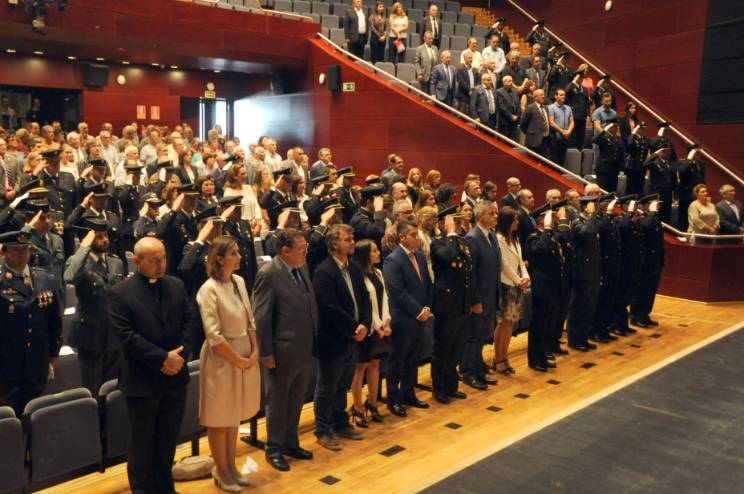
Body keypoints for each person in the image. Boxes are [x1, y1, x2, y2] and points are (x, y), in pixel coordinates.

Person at [108, 237, 191, 494]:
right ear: (137, 260)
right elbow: (127, 337)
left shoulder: (176, 285)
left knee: (167, 440)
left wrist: (180, 356)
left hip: (175, 378)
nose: (160, 264)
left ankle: (166, 489)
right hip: (142, 379)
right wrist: (163, 358)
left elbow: (190, 323)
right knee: (142, 444)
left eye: (163, 258)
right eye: (154, 260)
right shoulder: (120, 293)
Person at [195, 236, 260, 492]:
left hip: (243, 353)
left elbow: (250, 320)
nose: (239, 257)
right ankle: (221, 471)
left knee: (234, 416)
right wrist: (238, 359)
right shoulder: (208, 289)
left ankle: (231, 466)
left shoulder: (239, 282)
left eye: (239, 252)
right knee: (219, 418)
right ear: (219, 259)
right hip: (222, 358)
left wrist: (255, 350)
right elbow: (214, 336)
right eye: (233, 253)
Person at [253, 229, 317, 471]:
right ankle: (273, 448)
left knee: (297, 398)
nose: (305, 252)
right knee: (278, 402)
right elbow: (262, 317)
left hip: (304, 348)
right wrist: (266, 353)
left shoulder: (302, 267)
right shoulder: (269, 273)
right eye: (301, 248)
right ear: (285, 251)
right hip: (281, 351)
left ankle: (291, 442)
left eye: (306, 247)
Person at [313, 224, 371, 450]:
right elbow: (329, 307)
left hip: (353, 337)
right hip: (333, 338)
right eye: (348, 239)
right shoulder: (324, 271)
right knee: (327, 388)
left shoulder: (354, 267)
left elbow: (365, 299)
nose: (352, 242)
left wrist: (365, 323)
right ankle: (323, 430)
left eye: (352, 238)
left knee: (343, 385)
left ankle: (340, 423)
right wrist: (354, 327)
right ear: (334, 244)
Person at [0, 230, 62, 416]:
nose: (22, 254)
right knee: (11, 417)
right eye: (16, 250)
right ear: (4, 252)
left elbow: (54, 319)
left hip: (37, 361)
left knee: (36, 415)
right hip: (7, 365)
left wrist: (53, 352)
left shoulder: (43, 278)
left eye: (25, 249)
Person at [64, 219, 126, 397]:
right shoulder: (78, 263)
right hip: (90, 335)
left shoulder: (115, 262)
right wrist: (83, 248)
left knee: (113, 388)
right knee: (92, 389)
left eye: (106, 235)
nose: (105, 240)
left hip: (114, 332)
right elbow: (68, 276)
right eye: (99, 237)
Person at [383, 220, 433, 417]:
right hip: (403, 318)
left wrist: (427, 307)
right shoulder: (393, 260)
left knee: (413, 358)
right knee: (397, 360)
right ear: (402, 237)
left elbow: (426, 284)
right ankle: (393, 400)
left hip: (420, 315)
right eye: (413, 235)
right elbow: (397, 292)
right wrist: (418, 310)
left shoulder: (419, 256)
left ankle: (408, 393)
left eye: (417, 234)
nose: (417, 238)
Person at [430, 211, 477, 403]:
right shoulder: (438, 244)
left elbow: (468, 273)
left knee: (457, 347)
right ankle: (439, 388)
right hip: (447, 304)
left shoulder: (462, 243)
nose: (458, 225)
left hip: (462, 303)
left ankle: (451, 385)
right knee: (443, 347)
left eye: (458, 222)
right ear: (444, 224)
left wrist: (473, 300)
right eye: (454, 222)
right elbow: (449, 257)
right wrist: (449, 234)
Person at [350, 239, 391, 426]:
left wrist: (386, 322)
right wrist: (377, 326)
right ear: (365, 254)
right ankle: (357, 407)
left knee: (375, 365)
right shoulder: (358, 276)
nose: (378, 253)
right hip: (367, 328)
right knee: (360, 368)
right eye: (374, 251)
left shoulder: (379, 272)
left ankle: (372, 403)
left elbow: (384, 299)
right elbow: (365, 305)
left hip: (381, 327)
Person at [493, 207, 529, 374]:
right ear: (507, 222)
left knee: (511, 324)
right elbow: (504, 265)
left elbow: (520, 261)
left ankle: (504, 357)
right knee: (503, 324)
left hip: (517, 285)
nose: (517, 222)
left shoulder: (514, 239)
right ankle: (498, 358)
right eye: (515, 220)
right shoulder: (499, 239)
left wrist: (526, 277)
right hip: (507, 285)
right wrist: (518, 280)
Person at [567, 196, 601, 351]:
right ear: (585, 207)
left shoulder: (589, 221)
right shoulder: (577, 223)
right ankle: (574, 339)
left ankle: (583, 337)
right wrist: (592, 215)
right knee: (579, 306)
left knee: (589, 307)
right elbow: (586, 232)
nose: (596, 207)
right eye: (593, 205)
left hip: (593, 270)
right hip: (582, 272)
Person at [675, 144, 706, 232]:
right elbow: (682, 171)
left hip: (697, 195)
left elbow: (702, 179)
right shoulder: (683, 163)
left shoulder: (701, 164)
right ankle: (682, 232)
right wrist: (689, 159)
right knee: (684, 216)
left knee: (697, 215)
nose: (699, 155)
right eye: (697, 153)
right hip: (686, 194)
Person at [520, 88, 550, 157]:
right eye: (541, 95)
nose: (543, 96)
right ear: (535, 97)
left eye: (544, 94)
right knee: (532, 160)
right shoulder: (530, 107)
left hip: (545, 140)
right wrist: (530, 133)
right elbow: (523, 123)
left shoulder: (545, 108)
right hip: (533, 141)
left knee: (543, 161)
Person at [548, 89, 574, 165]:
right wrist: (562, 131)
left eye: (564, 95)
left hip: (565, 136)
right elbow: (551, 122)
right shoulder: (551, 107)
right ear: (556, 96)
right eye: (561, 95)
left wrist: (569, 131)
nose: (564, 96)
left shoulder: (568, 108)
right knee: (553, 159)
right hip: (555, 136)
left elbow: (572, 122)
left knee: (562, 159)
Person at [456, 51, 481, 116]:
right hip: (463, 95)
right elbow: (461, 82)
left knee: (471, 115)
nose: (470, 59)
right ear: (464, 59)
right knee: (461, 115)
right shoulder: (460, 69)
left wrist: (475, 90)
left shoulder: (475, 69)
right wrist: (469, 90)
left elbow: (478, 81)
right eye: (469, 58)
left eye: (471, 58)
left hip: (473, 95)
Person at [496, 75, 521, 141]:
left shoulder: (514, 91)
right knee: (504, 141)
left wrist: (517, 116)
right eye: (509, 81)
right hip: (505, 121)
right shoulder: (499, 92)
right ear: (504, 82)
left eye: (512, 81)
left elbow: (518, 104)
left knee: (513, 140)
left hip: (514, 121)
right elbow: (502, 106)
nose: (511, 83)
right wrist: (511, 116)